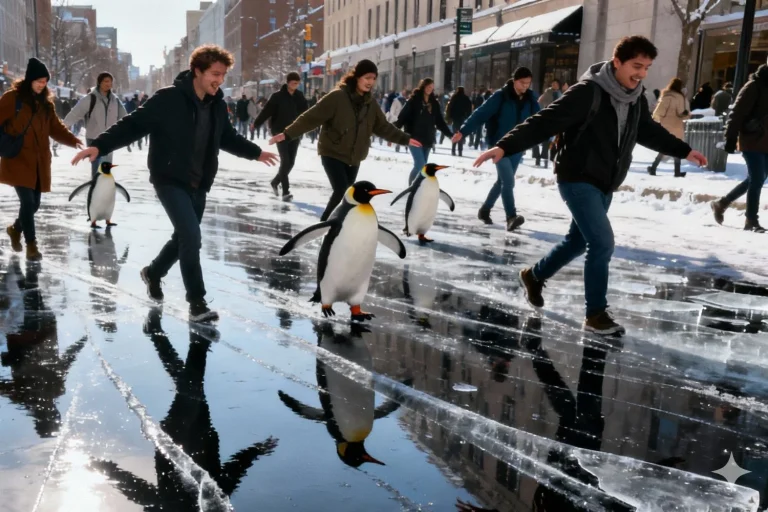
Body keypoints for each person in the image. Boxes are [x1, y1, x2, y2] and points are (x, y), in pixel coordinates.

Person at [474, 36, 707, 335]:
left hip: (606, 181)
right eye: (636, 66)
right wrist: (505, 146)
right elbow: (546, 120)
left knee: (578, 240)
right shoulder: (588, 92)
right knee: (601, 243)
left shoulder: (636, 96)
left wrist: (684, 150)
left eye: (647, 67)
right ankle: (595, 314)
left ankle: (533, 276)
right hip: (577, 177)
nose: (641, 73)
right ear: (617, 62)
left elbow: (647, 131)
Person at [70, 45, 279, 322]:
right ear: (197, 71)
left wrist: (256, 152)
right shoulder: (168, 99)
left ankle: (153, 273)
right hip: (169, 178)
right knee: (191, 237)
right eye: (215, 74)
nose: (220, 80)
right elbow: (134, 124)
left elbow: (226, 136)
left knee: (183, 237)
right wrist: (100, 146)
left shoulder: (217, 104)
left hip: (200, 181)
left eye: (223, 75)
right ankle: (197, 303)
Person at [270, 59, 421, 221]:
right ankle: (325, 223)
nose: (370, 82)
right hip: (332, 152)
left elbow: (383, 126)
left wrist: (405, 138)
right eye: (367, 78)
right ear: (357, 77)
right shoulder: (337, 97)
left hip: (354, 156)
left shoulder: (370, 104)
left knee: (349, 194)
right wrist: (287, 134)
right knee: (341, 189)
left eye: (373, 79)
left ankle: (340, 224)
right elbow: (311, 117)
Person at [1, 58, 83, 260]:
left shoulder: (46, 104)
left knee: (35, 204)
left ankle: (15, 229)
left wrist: (75, 142)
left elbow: (56, 128)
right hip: (18, 157)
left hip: (39, 161)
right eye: (38, 80)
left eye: (45, 81)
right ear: (29, 79)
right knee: (27, 202)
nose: (42, 84)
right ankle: (31, 245)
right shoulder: (13, 99)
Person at [452, 67, 540, 231]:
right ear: (515, 81)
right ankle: (511, 217)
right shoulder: (501, 96)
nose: (525, 86)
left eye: (528, 83)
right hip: (498, 145)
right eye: (522, 83)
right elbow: (481, 113)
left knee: (502, 181)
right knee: (508, 181)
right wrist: (463, 131)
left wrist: (551, 135)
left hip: (517, 146)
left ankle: (485, 210)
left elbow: (541, 120)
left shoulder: (530, 100)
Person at [711, 60, 768, 233]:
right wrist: (730, 138)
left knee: (756, 178)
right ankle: (751, 220)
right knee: (757, 178)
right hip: (752, 139)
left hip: (766, 142)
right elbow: (737, 112)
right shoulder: (755, 85)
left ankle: (722, 203)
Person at [252, 72, 308, 201]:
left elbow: (307, 113)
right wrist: (256, 123)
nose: (296, 85)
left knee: (291, 162)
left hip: (294, 132)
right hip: (279, 131)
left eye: (297, 83)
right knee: (286, 161)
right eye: (294, 83)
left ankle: (275, 182)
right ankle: (286, 191)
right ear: (288, 82)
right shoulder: (277, 96)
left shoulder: (299, 96)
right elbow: (267, 111)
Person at [64, 72, 127, 177]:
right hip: (94, 138)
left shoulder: (115, 100)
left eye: (111, 82)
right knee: (97, 169)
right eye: (106, 81)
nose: (109, 84)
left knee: (105, 170)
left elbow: (125, 117)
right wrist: (63, 126)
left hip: (109, 138)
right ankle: (95, 190)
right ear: (99, 82)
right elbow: (75, 113)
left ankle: (103, 192)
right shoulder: (90, 98)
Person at [395, 77, 452, 184]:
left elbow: (439, 121)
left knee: (423, 167)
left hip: (428, 138)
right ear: (423, 86)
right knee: (420, 165)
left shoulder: (434, 103)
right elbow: (402, 117)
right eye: (428, 86)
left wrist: (450, 134)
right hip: (414, 138)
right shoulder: (414, 100)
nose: (430, 89)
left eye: (432, 87)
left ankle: (417, 187)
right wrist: (393, 133)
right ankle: (411, 187)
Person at [647, 78, 690, 177]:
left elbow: (659, 111)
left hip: (666, 125)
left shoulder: (667, 96)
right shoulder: (680, 97)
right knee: (677, 147)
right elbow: (682, 112)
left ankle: (653, 168)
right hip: (677, 125)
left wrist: (655, 118)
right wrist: (686, 115)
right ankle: (677, 171)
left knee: (665, 147)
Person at [533, 79, 562, 167]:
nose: (554, 85)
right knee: (537, 139)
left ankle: (545, 158)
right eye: (553, 84)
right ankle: (537, 157)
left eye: (556, 84)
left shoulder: (561, 94)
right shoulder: (547, 93)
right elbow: (539, 103)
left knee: (549, 140)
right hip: (545, 117)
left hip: (555, 119)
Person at [445, 86, 472, 157]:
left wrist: (449, 117)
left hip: (455, 118)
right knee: (461, 134)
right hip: (463, 118)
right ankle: (460, 151)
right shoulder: (466, 98)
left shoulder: (454, 97)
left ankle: (453, 150)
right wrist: (468, 117)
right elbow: (469, 109)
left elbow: (449, 107)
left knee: (455, 133)